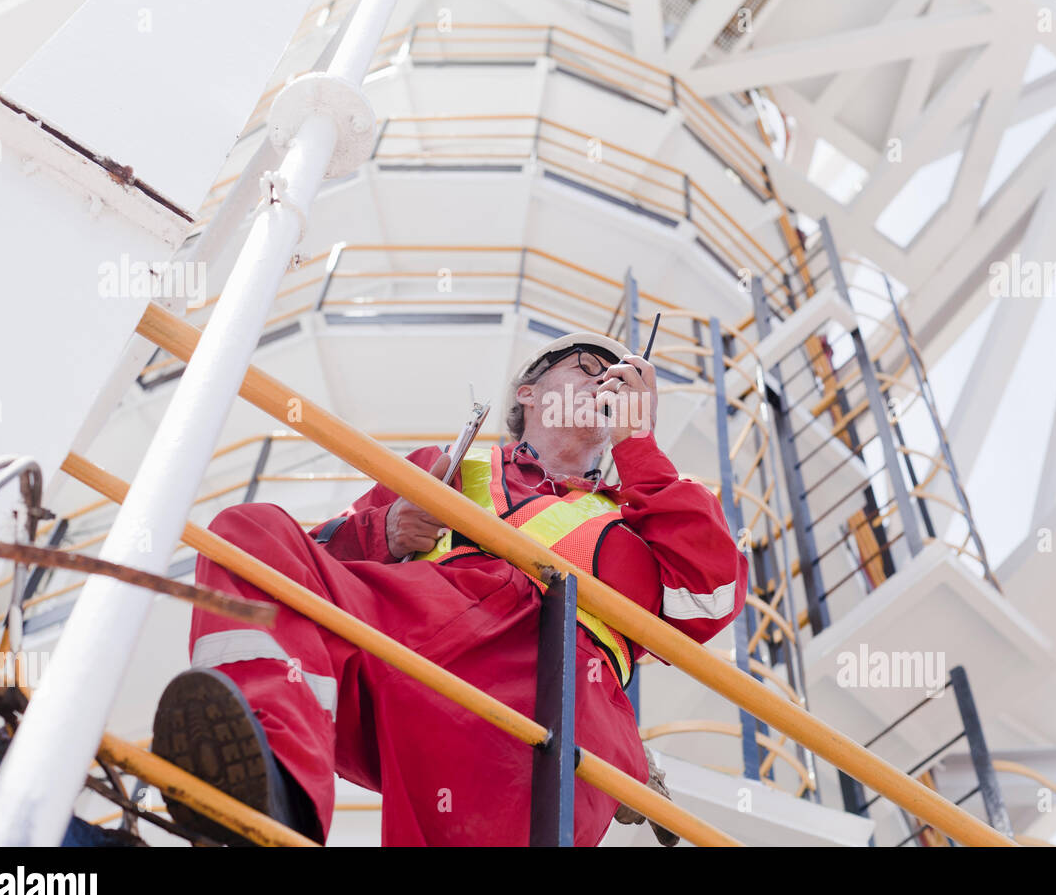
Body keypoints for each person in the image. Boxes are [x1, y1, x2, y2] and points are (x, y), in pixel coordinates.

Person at [151, 331, 749, 845]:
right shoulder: (448, 469)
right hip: (405, 629)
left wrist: (639, 447)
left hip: (552, 691)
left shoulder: (642, 524)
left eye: (622, 380)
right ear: (529, 392)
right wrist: (384, 529)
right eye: (589, 368)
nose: (608, 383)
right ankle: (268, 789)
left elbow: (711, 597)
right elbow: (312, 563)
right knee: (248, 536)